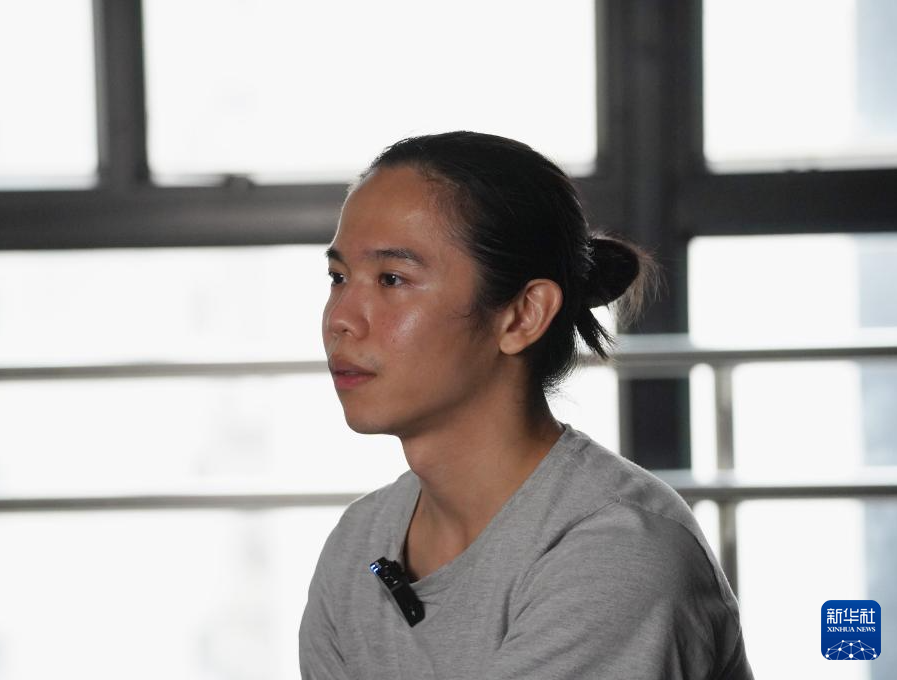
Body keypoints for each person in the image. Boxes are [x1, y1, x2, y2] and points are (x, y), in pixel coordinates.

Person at [299, 131, 753, 679]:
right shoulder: (359, 543)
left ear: (523, 315)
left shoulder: (618, 552)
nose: (341, 319)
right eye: (338, 277)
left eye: (392, 279)